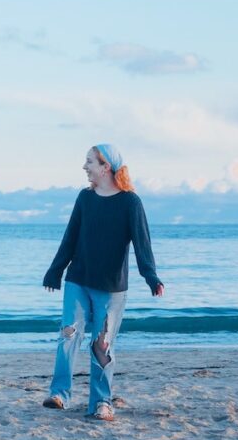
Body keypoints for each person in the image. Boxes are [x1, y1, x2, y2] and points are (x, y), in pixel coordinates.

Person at [41, 143, 165, 422]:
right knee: (68, 334)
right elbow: (70, 237)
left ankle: (101, 403)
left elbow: (142, 243)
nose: (85, 167)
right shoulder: (85, 198)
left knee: (102, 344)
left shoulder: (130, 202)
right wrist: (55, 270)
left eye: (90, 162)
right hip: (78, 279)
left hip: (111, 288)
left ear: (105, 166)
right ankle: (59, 394)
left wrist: (150, 275)